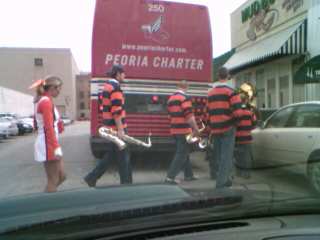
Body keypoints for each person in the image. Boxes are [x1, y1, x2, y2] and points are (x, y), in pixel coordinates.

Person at [84, 65, 132, 187]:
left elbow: (104, 107)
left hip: (110, 127)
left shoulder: (106, 86)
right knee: (124, 157)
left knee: (112, 155)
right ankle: (127, 185)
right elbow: (116, 111)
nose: (125, 76)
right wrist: (121, 129)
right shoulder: (115, 88)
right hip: (117, 129)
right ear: (117, 74)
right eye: (123, 73)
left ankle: (92, 177)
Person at [207, 67, 244, 188]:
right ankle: (221, 183)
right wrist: (233, 122)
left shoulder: (210, 93)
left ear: (218, 76)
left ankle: (225, 179)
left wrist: (211, 125)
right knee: (226, 156)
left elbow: (207, 112)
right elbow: (239, 112)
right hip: (228, 128)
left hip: (215, 128)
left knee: (217, 155)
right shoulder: (231, 92)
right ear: (228, 76)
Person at [30, 76, 66, 193]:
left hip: (49, 141)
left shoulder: (46, 100)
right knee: (53, 180)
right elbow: (48, 128)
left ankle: (47, 198)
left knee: (62, 177)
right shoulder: (45, 102)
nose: (59, 91)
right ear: (52, 87)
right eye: (58, 88)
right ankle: (47, 205)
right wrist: (56, 147)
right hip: (48, 143)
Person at [165, 80, 200, 184]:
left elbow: (169, 116)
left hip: (174, 130)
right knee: (181, 153)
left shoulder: (170, 99)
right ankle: (170, 177)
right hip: (184, 130)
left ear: (177, 86)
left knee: (185, 152)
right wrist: (196, 129)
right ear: (186, 87)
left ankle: (189, 175)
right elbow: (189, 116)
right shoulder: (185, 98)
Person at [234, 93, 257, 179]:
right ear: (246, 101)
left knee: (238, 156)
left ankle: (239, 172)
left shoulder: (236, 113)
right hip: (247, 137)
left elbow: (233, 125)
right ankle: (246, 174)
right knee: (247, 156)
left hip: (237, 138)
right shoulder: (250, 113)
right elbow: (254, 124)